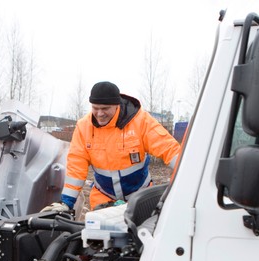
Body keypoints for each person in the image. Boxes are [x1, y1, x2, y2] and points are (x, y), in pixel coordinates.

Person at [59, 81, 181, 211]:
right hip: (103, 198)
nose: (100, 113)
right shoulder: (84, 127)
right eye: (95, 108)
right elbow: (76, 164)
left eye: (105, 109)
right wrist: (67, 202)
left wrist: (189, 176)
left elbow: (169, 149)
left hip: (140, 197)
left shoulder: (140, 121)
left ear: (117, 105)